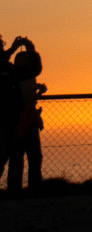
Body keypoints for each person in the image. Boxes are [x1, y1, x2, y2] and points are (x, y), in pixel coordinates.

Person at [1, 36, 41, 186]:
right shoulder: (8, 72)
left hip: (23, 119)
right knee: (17, 156)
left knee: (31, 156)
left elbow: (34, 70)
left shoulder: (12, 71)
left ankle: (25, 188)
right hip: (13, 121)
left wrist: (29, 49)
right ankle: (17, 189)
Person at [7, 49, 45, 192]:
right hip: (22, 120)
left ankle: (15, 188)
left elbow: (29, 98)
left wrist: (38, 91)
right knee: (29, 156)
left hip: (24, 119)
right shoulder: (23, 76)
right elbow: (27, 98)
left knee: (20, 157)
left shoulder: (18, 76)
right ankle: (32, 187)